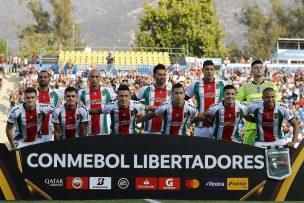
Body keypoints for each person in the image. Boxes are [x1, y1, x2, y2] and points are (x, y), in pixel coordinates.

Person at [236, 60, 280, 145]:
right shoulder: (245, 87)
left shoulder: (271, 85)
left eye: (260, 67)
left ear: (263, 69)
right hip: (251, 127)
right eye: (256, 68)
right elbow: (236, 103)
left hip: (269, 127)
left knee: (269, 156)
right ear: (251, 71)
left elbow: (278, 105)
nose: (258, 69)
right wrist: (245, 115)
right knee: (250, 155)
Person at [90, 84, 156, 134]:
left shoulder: (136, 105)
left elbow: (149, 107)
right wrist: (85, 111)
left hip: (131, 137)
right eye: (121, 96)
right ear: (117, 97)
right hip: (115, 137)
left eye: (126, 96)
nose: (124, 99)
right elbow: (97, 111)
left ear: (130, 96)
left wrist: (161, 109)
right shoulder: (110, 106)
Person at [185, 60, 227, 138]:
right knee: (201, 150)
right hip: (200, 126)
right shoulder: (195, 84)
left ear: (214, 70)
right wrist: (192, 112)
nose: (209, 71)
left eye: (211, 69)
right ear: (203, 70)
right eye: (207, 69)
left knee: (217, 150)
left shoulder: (223, 84)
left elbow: (230, 101)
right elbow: (183, 100)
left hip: (217, 126)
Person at [131, 64, 171, 134]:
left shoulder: (171, 92)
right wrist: (137, 114)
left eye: (164, 75)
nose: (162, 77)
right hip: (147, 132)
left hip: (165, 133)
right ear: (154, 75)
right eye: (160, 75)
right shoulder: (145, 89)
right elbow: (130, 102)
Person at [79, 69, 117, 135]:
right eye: (92, 77)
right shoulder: (81, 93)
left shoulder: (108, 91)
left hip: (105, 131)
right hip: (87, 131)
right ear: (88, 78)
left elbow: (118, 102)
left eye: (96, 77)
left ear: (100, 78)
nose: (94, 79)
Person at [36, 70, 60, 142]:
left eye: (45, 77)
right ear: (37, 80)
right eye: (41, 77)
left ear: (49, 80)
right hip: (34, 133)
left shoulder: (55, 94)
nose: (43, 79)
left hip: (50, 133)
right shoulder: (33, 94)